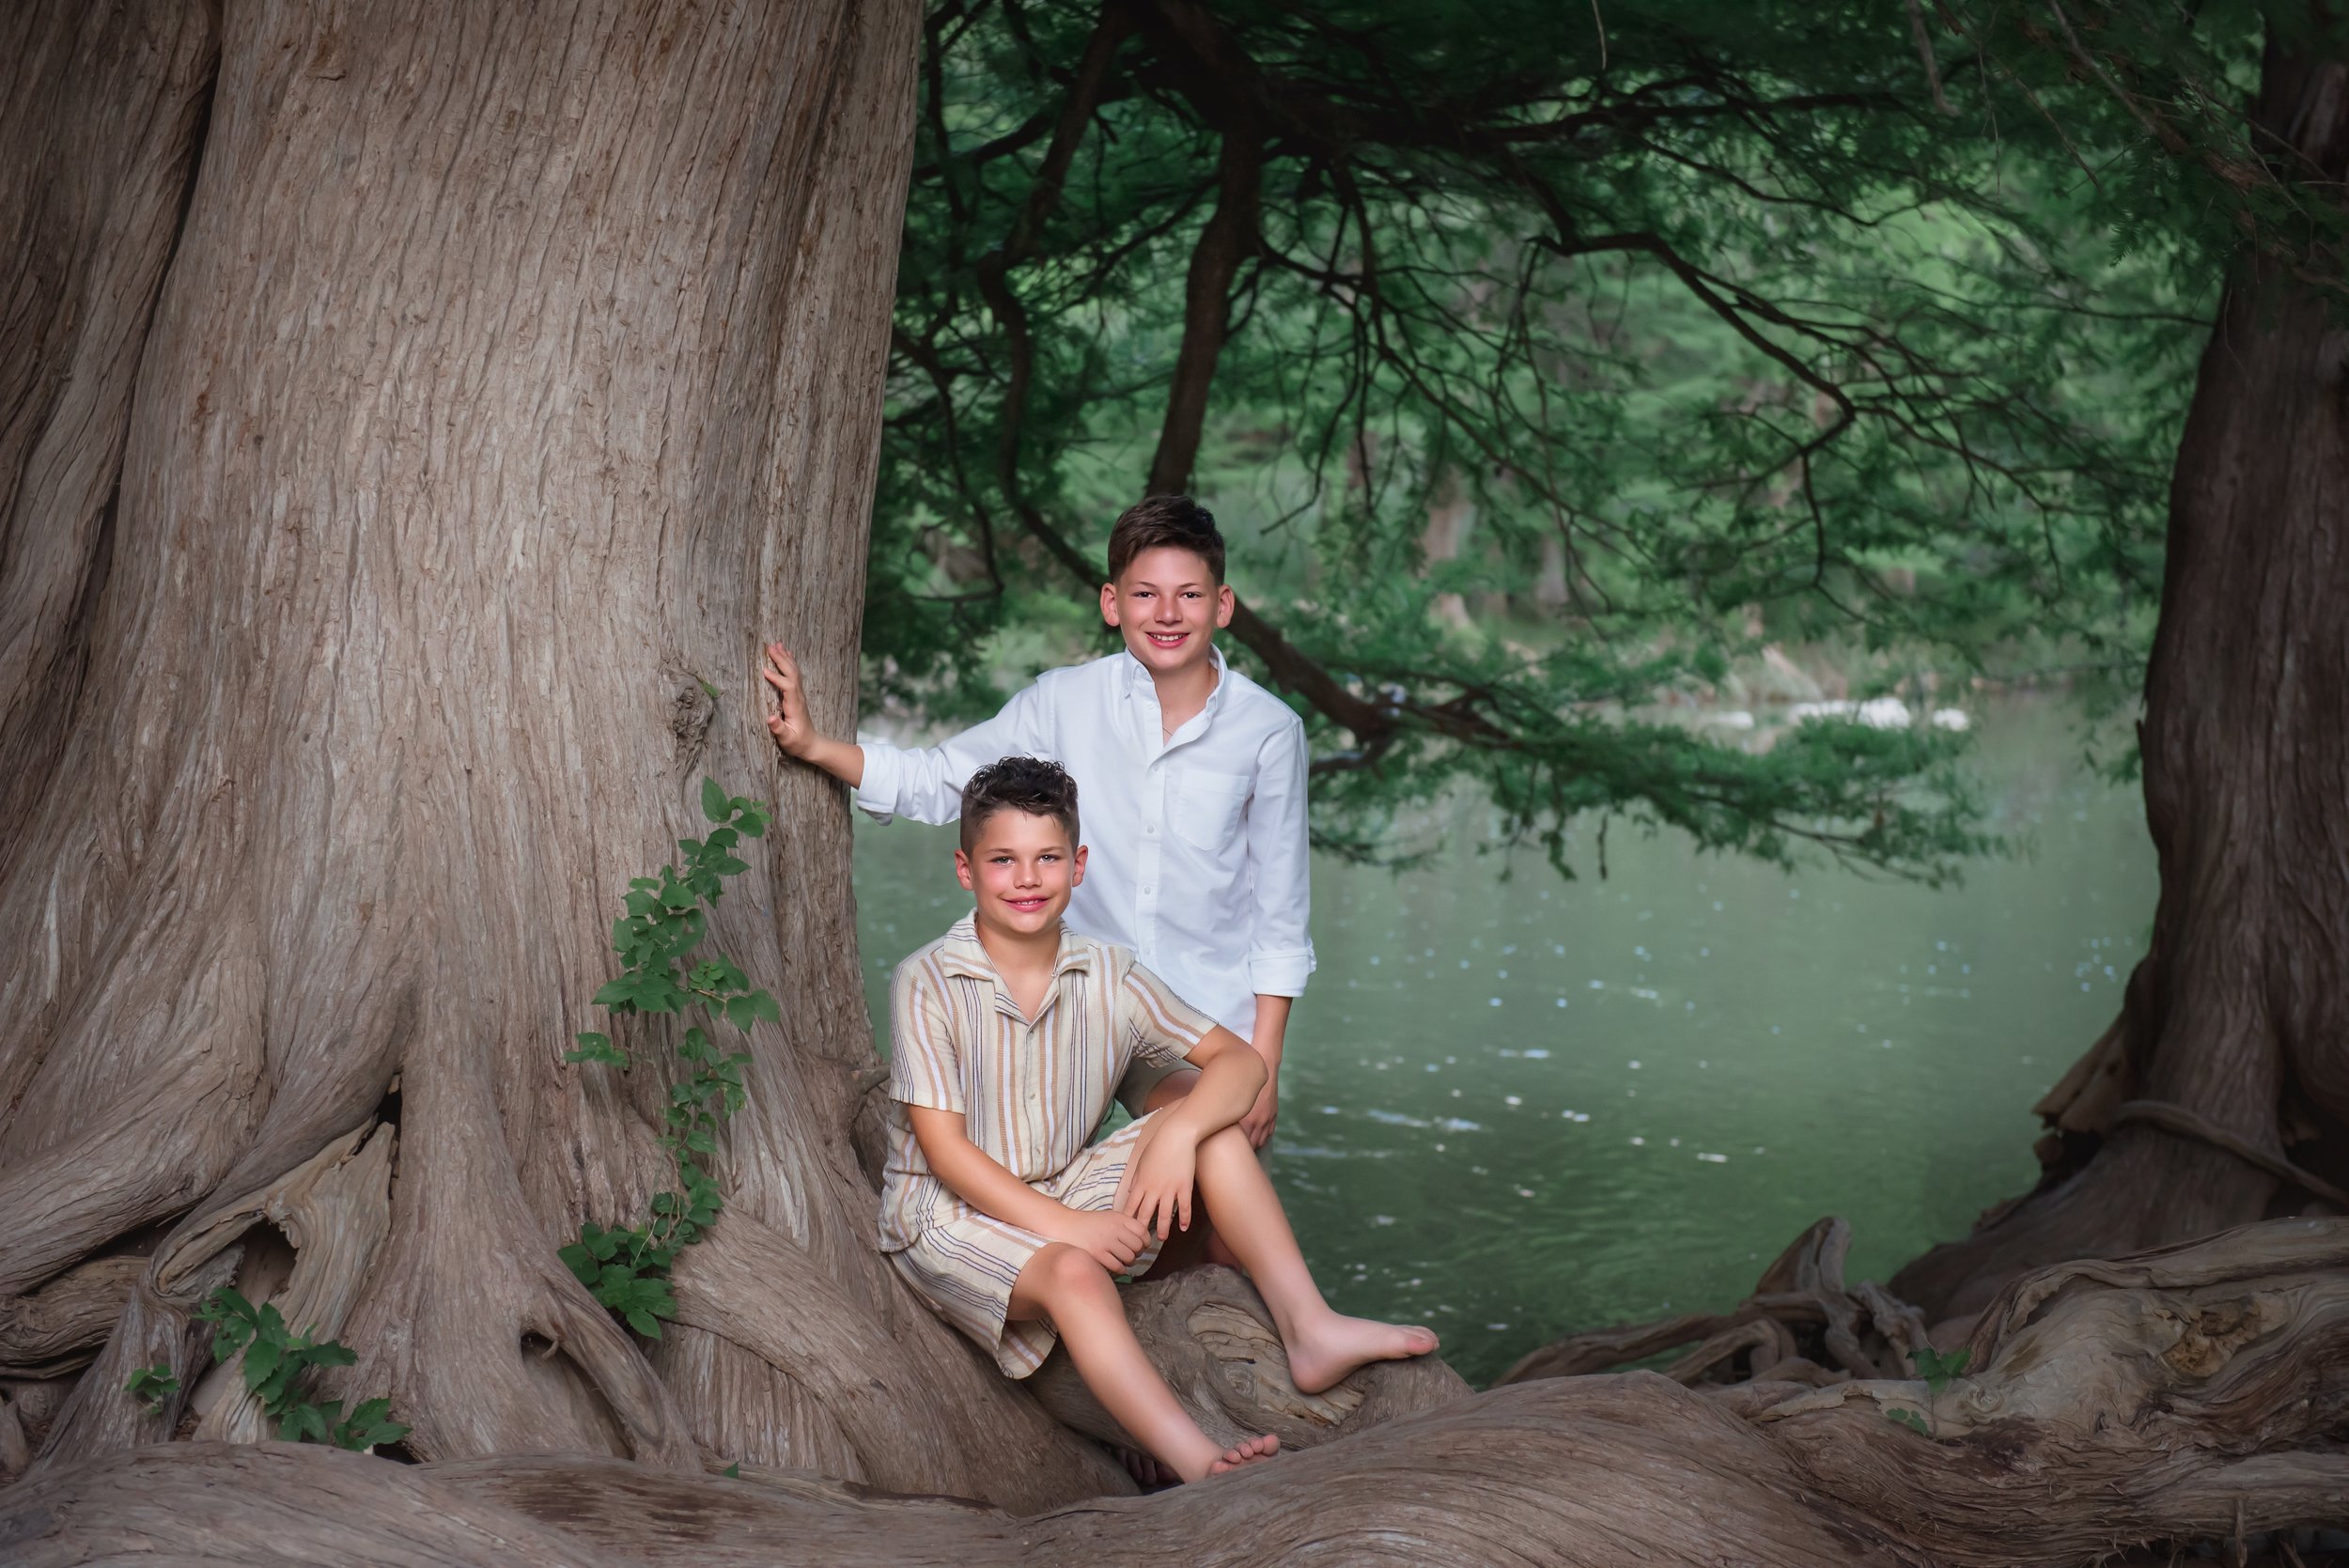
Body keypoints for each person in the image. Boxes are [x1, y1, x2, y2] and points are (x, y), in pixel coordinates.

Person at [876, 757, 1436, 1483]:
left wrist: (1175, 1132)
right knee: (1076, 1273)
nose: (1026, 878)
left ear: (1078, 866)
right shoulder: (928, 980)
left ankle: (1309, 1326)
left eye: (1047, 858)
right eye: (1003, 860)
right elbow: (946, 1153)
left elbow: (1241, 1065)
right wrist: (1070, 1227)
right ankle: (1196, 1459)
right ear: (965, 868)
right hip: (949, 1215)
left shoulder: (1112, 973)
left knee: (1213, 1130)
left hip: (1062, 1183)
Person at [763, 495, 1308, 1147]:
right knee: (1111, 1178)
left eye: (1189, 594)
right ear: (1113, 604)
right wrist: (815, 746)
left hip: (1212, 1029)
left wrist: (1265, 1065)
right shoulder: (1064, 703)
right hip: (1081, 1017)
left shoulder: (1270, 729)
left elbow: (1279, 915)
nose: (1167, 614)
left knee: (1213, 1193)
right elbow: (941, 780)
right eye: (1145, 594)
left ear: (1222, 605)